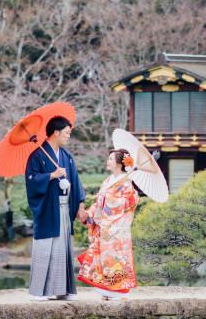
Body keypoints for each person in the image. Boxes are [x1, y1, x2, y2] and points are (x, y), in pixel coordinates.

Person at [25, 116, 87, 301]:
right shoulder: (37, 155)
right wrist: (52, 175)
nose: (68, 136)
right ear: (55, 132)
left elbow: (76, 182)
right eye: (66, 133)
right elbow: (31, 181)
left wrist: (80, 206)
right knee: (45, 247)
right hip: (47, 208)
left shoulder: (66, 157)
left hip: (65, 206)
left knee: (63, 248)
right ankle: (39, 292)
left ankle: (62, 291)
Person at [78, 149, 139, 300]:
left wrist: (109, 197)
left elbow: (129, 203)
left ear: (119, 163)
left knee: (115, 260)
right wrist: (88, 214)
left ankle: (117, 292)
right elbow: (99, 205)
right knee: (102, 259)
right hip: (104, 228)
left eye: (111, 159)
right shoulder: (108, 181)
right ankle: (106, 289)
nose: (108, 161)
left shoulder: (126, 183)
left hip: (117, 230)